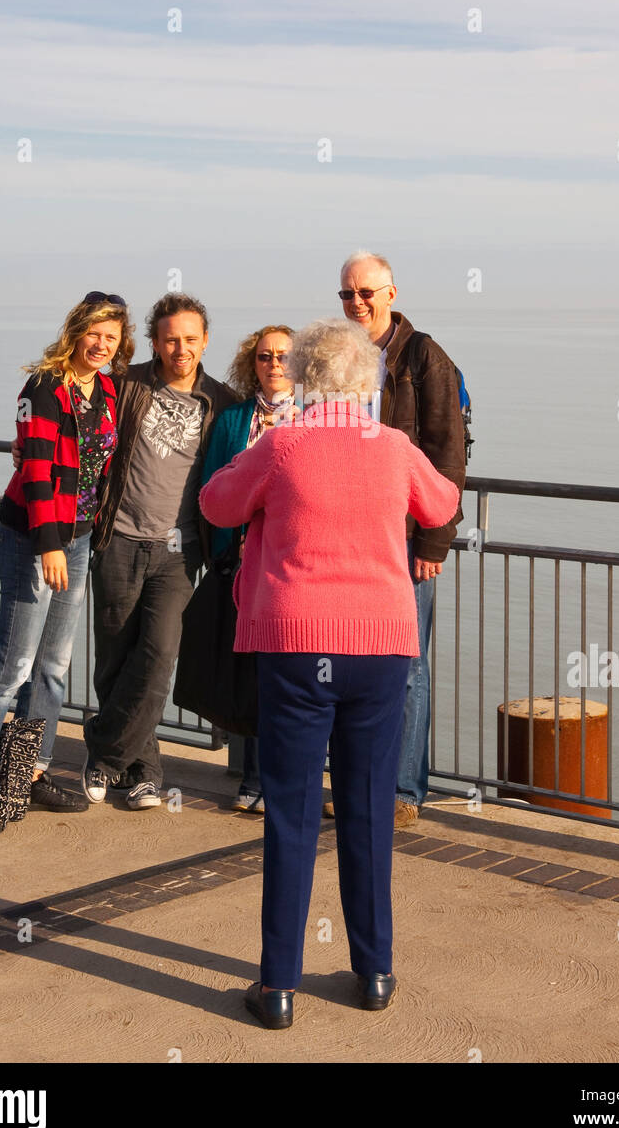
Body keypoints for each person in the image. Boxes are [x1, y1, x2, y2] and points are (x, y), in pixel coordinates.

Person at [199, 318, 460, 1029]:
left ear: (309, 379)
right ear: (368, 380)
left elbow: (216, 503)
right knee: (369, 809)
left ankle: (277, 987)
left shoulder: (281, 443)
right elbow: (441, 503)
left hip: (294, 644)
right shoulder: (395, 447)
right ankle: (373, 972)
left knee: (288, 811)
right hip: (379, 646)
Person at [0, 294, 133, 836]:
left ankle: (27, 773)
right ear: (75, 332)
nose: (101, 345)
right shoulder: (46, 388)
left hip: (77, 536)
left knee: (52, 665)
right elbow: (38, 473)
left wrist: (75, 538)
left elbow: (97, 469)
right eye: (94, 333)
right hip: (34, 536)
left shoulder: (108, 390)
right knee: (12, 667)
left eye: (111, 338)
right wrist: (50, 544)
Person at [82, 293, 237, 809]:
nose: (181, 348)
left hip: (179, 551)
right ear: (154, 342)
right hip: (118, 541)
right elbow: (76, 416)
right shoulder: (126, 385)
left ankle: (103, 755)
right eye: (171, 339)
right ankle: (144, 772)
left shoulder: (223, 402)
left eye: (191, 339)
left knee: (158, 656)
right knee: (115, 660)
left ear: (205, 341)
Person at [337, 251, 466, 827]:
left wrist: (435, 544)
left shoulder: (424, 358)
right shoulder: (343, 357)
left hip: (408, 539)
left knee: (408, 664)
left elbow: (448, 455)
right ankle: (362, 785)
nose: (357, 303)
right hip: (351, 540)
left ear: (391, 293)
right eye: (348, 294)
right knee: (357, 664)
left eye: (367, 292)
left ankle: (405, 792)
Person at [199, 325, 295, 813]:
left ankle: (288, 781)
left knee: (291, 673)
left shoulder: (316, 417)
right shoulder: (234, 419)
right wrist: (219, 554)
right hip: (243, 565)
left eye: (283, 355)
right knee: (255, 672)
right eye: (264, 357)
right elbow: (214, 484)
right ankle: (255, 779)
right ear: (251, 364)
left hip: (295, 566)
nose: (274, 364)